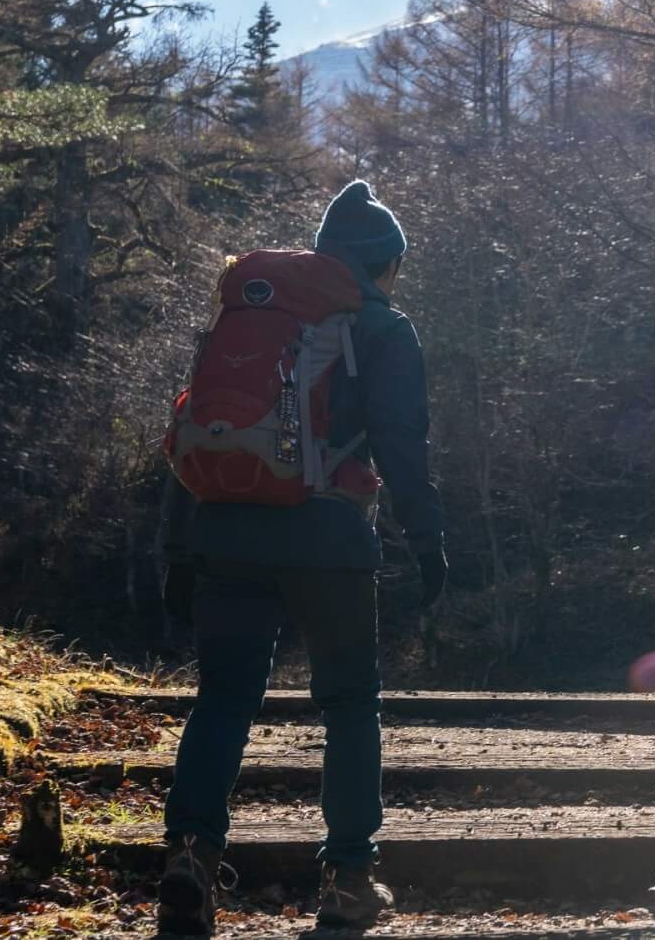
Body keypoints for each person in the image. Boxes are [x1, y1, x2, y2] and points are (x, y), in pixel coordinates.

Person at [156, 180, 447, 936]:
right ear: (383, 264)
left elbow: (198, 422)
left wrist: (176, 545)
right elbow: (402, 447)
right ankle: (349, 881)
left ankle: (189, 854)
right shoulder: (382, 327)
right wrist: (428, 540)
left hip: (224, 527)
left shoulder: (246, 315)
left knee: (223, 696)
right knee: (350, 702)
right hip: (328, 536)